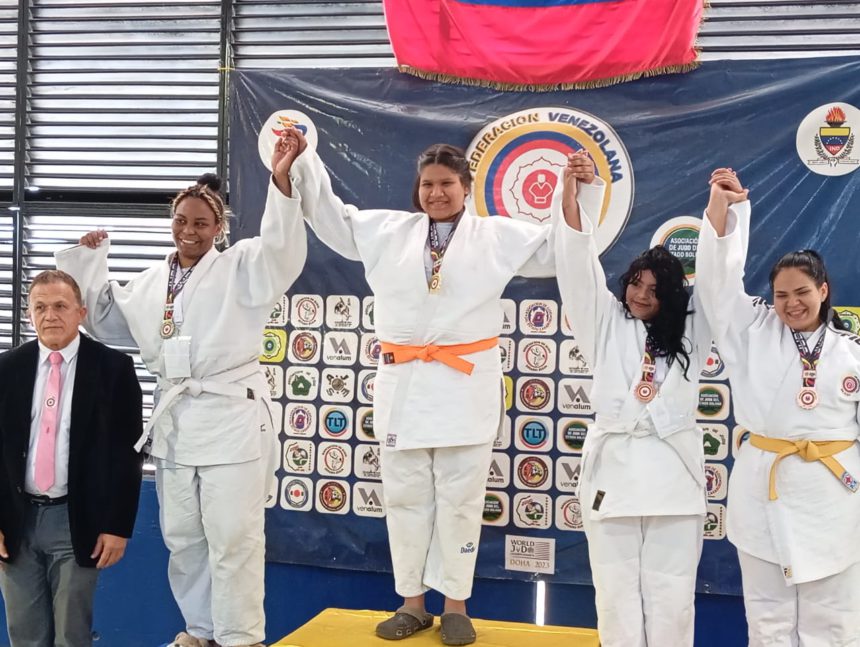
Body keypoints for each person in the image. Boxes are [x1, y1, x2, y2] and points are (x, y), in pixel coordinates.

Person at [280, 135, 605, 645]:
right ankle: (411, 602)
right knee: (406, 499)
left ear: (466, 187)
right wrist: (303, 161)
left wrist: (576, 192)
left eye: (447, 184)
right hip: (402, 383)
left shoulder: (495, 236)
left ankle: (456, 605)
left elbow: (558, 247)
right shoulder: (389, 231)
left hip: (464, 384)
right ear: (418, 188)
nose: (436, 193)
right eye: (428, 184)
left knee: (460, 500)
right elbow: (332, 219)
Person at [54, 132, 308, 647]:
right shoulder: (150, 282)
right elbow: (102, 318)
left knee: (233, 539)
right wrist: (87, 260)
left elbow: (283, 253)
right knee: (184, 539)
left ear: (219, 228)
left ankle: (241, 636)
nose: (188, 231)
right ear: (171, 222)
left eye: (200, 223)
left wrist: (281, 180)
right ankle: (202, 630)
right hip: (176, 423)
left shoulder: (242, 268)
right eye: (181, 221)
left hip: (231, 416)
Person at [553, 152, 712, 647]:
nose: (642, 295)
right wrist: (575, 194)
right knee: (615, 594)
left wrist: (724, 212)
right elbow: (576, 265)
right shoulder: (605, 321)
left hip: (673, 473)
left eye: (655, 288)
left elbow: (722, 280)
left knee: (672, 595)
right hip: (615, 470)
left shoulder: (693, 331)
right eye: (636, 284)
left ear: (674, 296)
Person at [696, 168, 860, 647]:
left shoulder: (852, 351)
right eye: (782, 294)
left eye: (802, 292)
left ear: (824, 290)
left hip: (833, 493)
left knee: (833, 615)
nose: (791, 303)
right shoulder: (752, 332)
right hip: (764, 486)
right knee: (767, 614)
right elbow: (717, 285)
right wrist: (727, 213)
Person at [0, 270, 143, 647]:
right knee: (25, 633)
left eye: (61, 306)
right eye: (40, 307)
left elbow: (127, 454)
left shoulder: (114, 369)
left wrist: (117, 525)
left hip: (77, 519)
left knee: (71, 634)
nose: (50, 315)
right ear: (29, 314)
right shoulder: (6, 369)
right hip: (16, 519)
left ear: (80, 312)